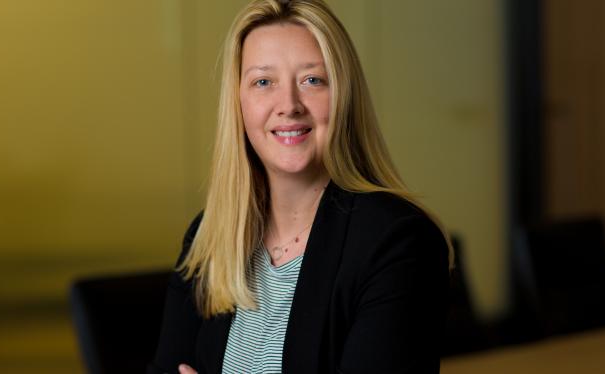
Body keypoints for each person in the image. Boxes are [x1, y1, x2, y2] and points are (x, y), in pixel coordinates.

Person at [148, 0, 452, 373]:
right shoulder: (209, 236)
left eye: (313, 80)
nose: (289, 105)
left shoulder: (397, 241)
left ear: (343, 96)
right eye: (263, 82)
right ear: (238, 103)